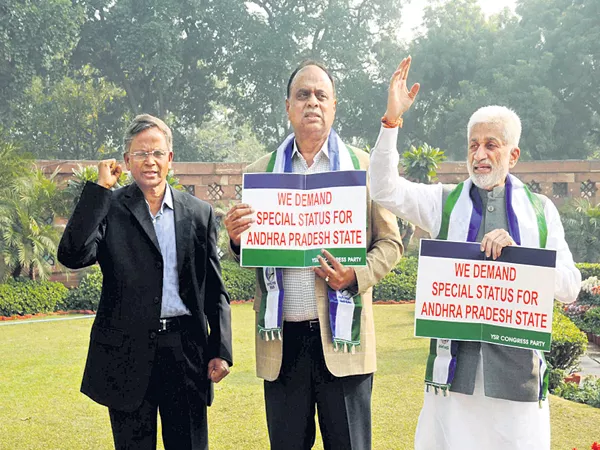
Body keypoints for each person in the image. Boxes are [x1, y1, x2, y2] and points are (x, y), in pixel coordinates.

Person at [368, 57, 581, 449]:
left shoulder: (541, 212)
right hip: (455, 380)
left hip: (517, 381)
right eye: (473, 145)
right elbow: (384, 189)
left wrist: (522, 259)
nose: (479, 154)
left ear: (512, 155)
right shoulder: (444, 202)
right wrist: (391, 122)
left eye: (491, 145)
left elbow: (569, 287)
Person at [224, 61, 402, 450]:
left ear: (334, 105)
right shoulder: (261, 172)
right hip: (283, 342)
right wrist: (236, 240)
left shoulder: (364, 167)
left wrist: (355, 275)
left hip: (344, 340)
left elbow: (391, 244)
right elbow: (247, 251)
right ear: (288, 106)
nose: (312, 103)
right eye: (303, 95)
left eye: (321, 95)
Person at [58, 114, 233, 450]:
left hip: (186, 351)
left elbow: (214, 288)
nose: (149, 161)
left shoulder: (199, 213)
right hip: (127, 352)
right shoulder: (109, 207)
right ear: (126, 160)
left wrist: (221, 349)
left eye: (157, 153)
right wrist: (98, 190)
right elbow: (72, 255)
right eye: (140, 154)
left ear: (170, 158)